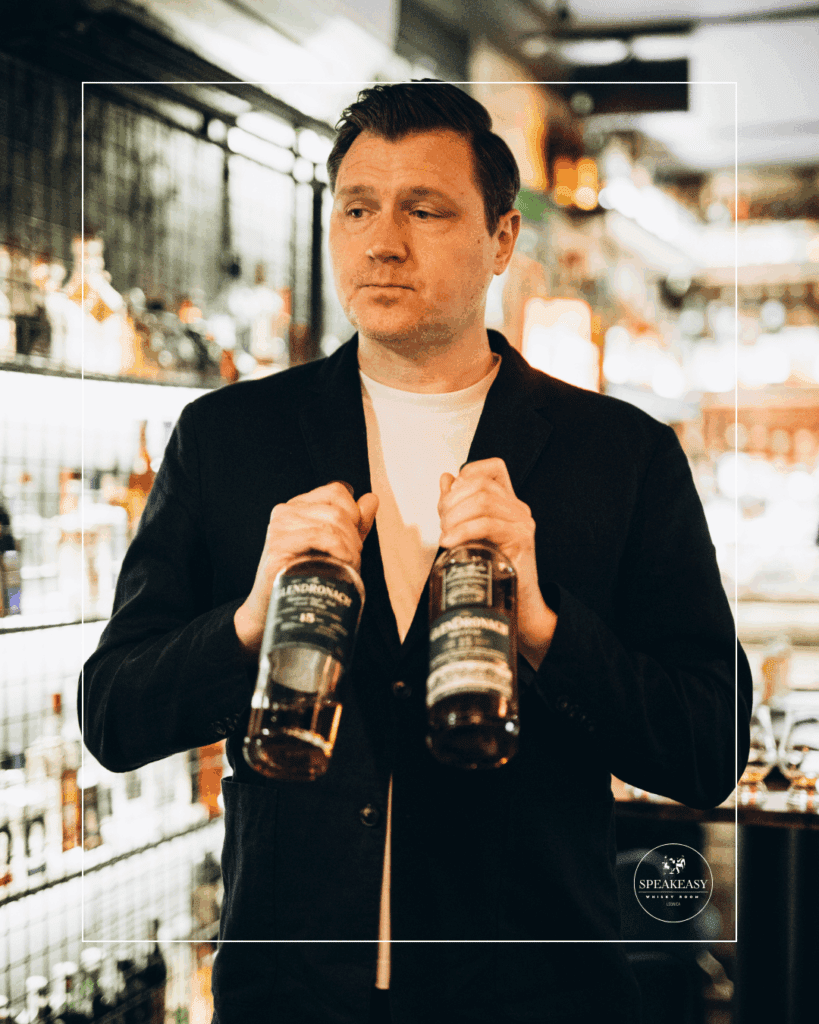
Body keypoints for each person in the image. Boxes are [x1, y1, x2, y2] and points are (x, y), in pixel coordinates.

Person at [81, 81, 752, 1024]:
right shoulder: (228, 438)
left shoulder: (620, 455)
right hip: (292, 994)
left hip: (532, 992)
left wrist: (544, 628)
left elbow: (707, 746)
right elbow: (112, 716)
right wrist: (247, 622)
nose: (381, 242)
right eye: (357, 208)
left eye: (424, 210)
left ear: (502, 240)